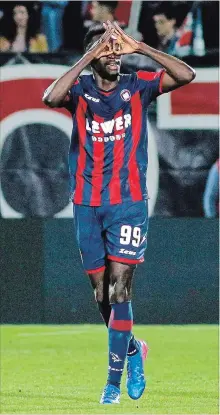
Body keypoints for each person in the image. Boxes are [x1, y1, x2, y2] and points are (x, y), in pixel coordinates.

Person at [43, 21, 195, 404]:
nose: (114, 54)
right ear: (93, 55)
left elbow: (186, 74)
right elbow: (50, 96)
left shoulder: (137, 86)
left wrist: (140, 46)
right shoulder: (79, 91)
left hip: (127, 204)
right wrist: (88, 55)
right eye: (106, 49)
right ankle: (132, 349)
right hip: (86, 203)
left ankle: (113, 383)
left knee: (119, 287)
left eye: (116, 48)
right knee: (101, 296)